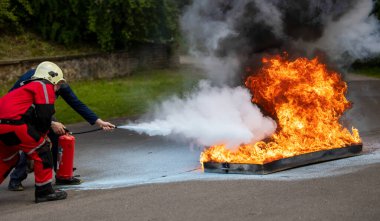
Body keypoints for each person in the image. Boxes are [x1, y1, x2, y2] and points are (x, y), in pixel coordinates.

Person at [8, 63, 115, 191]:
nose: (58, 88)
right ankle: (16, 179)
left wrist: (99, 122)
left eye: (60, 85)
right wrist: (51, 123)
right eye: (56, 86)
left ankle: (62, 176)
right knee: (35, 141)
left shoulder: (58, 82)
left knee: (58, 135)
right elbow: (23, 104)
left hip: (41, 110)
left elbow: (76, 103)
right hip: (20, 114)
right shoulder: (31, 81)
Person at [0, 61, 67, 203]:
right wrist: (44, 138)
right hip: (14, 124)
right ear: (52, 78)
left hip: (4, 126)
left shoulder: (25, 88)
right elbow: (45, 115)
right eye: (59, 84)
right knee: (42, 150)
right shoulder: (44, 85)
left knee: (8, 158)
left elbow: (29, 115)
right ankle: (44, 192)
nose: (58, 88)